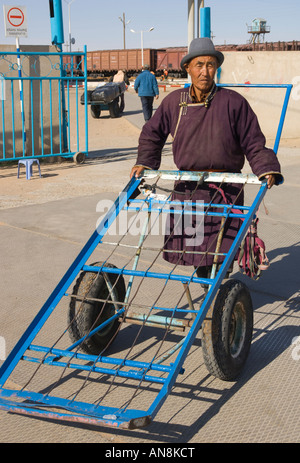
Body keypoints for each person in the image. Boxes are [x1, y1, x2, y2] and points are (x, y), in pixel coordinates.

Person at [130, 38, 283, 279]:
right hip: (188, 190)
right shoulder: (174, 102)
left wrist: (266, 167)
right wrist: (144, 163)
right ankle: (207, 286)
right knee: (194, 251)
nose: (205, 71)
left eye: (210, 65)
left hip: (226, 190)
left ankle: (217, 293)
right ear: (188, 68)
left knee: (222, 252)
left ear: (216, 68)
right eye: (199, 65)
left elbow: (253, 140)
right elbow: (152, 134)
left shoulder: (233, 102)